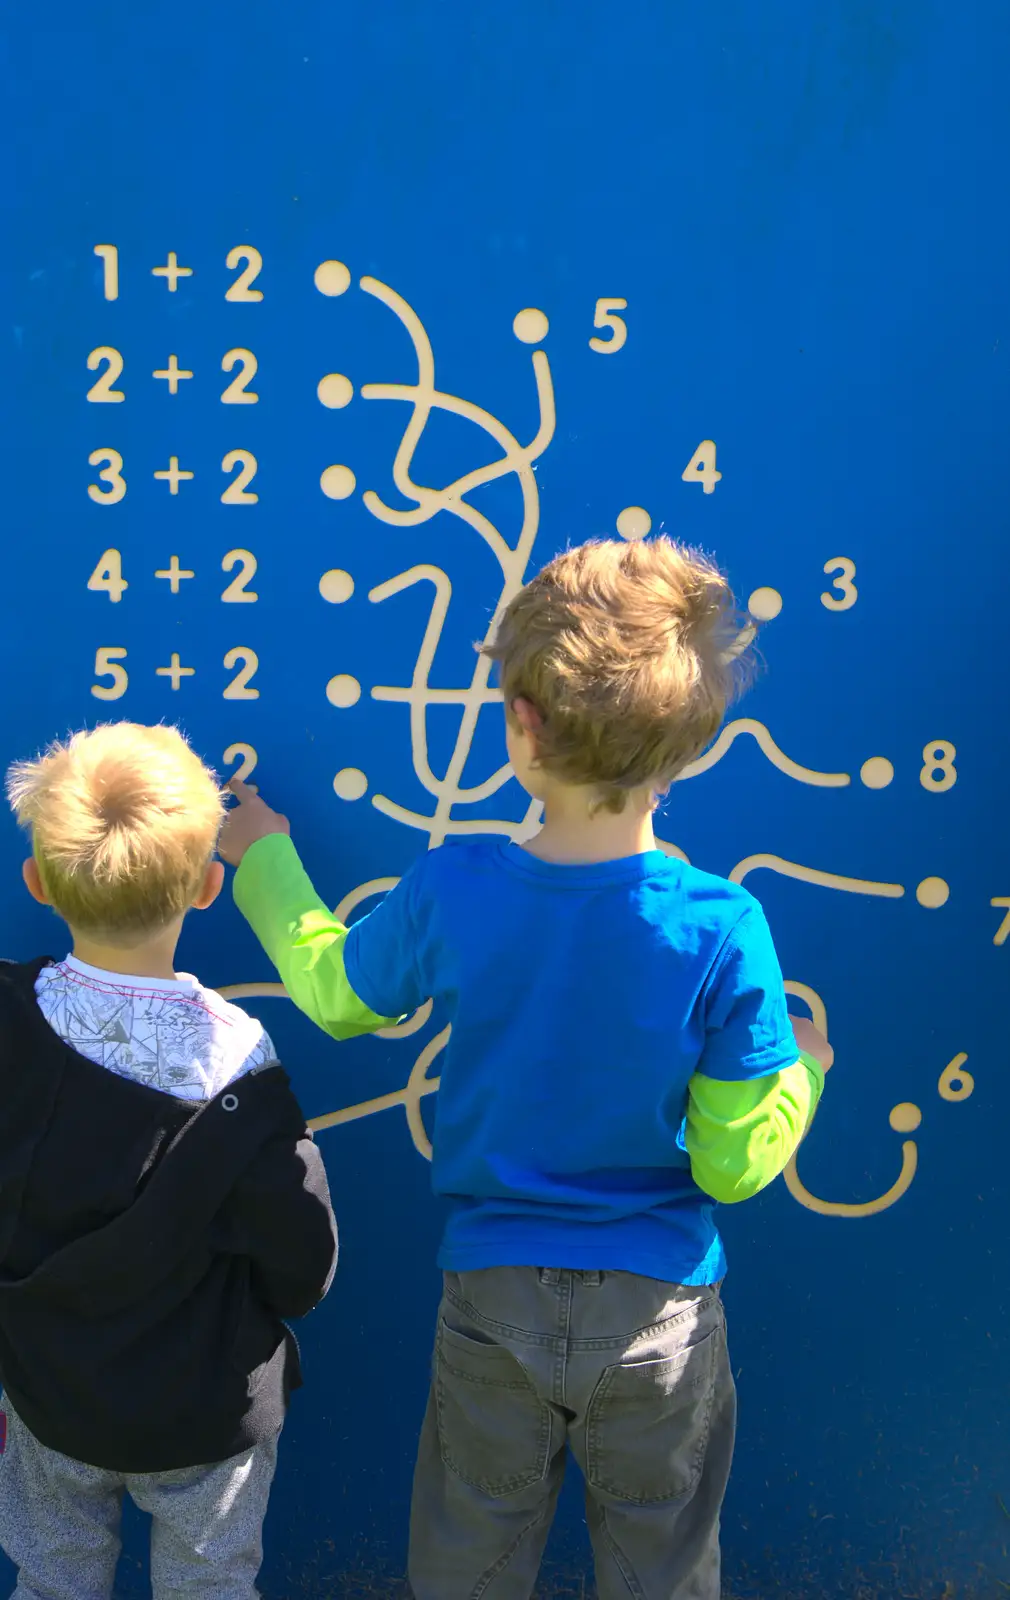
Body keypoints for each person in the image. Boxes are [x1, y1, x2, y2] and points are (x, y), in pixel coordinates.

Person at [219, 536, 831, 1600]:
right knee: (661, 1571)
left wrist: (261, 855)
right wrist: (804, 1074)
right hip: (660, 1313)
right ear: (687, 748)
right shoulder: (724, 929)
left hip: (489, 1295)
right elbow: (733, 1167)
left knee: (469, 1562)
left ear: (521, 726)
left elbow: (334, 993)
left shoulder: (455, 886)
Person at [0, 723, 337, 1600]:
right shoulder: (241, 1066)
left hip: (47, 1392)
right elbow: (304, 1256)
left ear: (36, 883)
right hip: (204, 1405)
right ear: (208, 887)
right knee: (210, 1588)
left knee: (52, 1579)